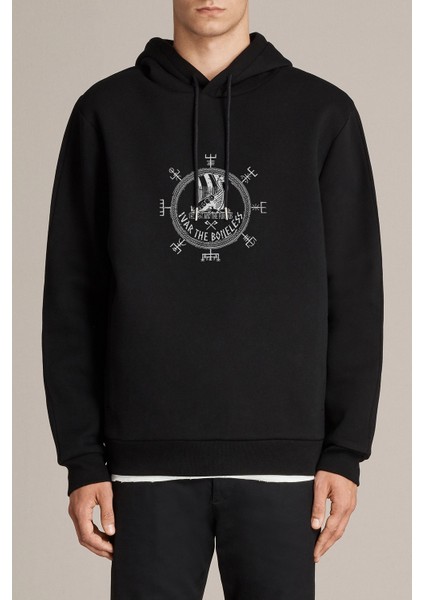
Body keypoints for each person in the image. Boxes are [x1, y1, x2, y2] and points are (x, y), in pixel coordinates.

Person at [41, 1, 384, 598]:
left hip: (285, 465)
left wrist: (345, 451)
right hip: (143, 462)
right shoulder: (106, 111)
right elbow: (72, 294)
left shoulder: (322, 112)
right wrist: (82, 457)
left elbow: (355, 292)